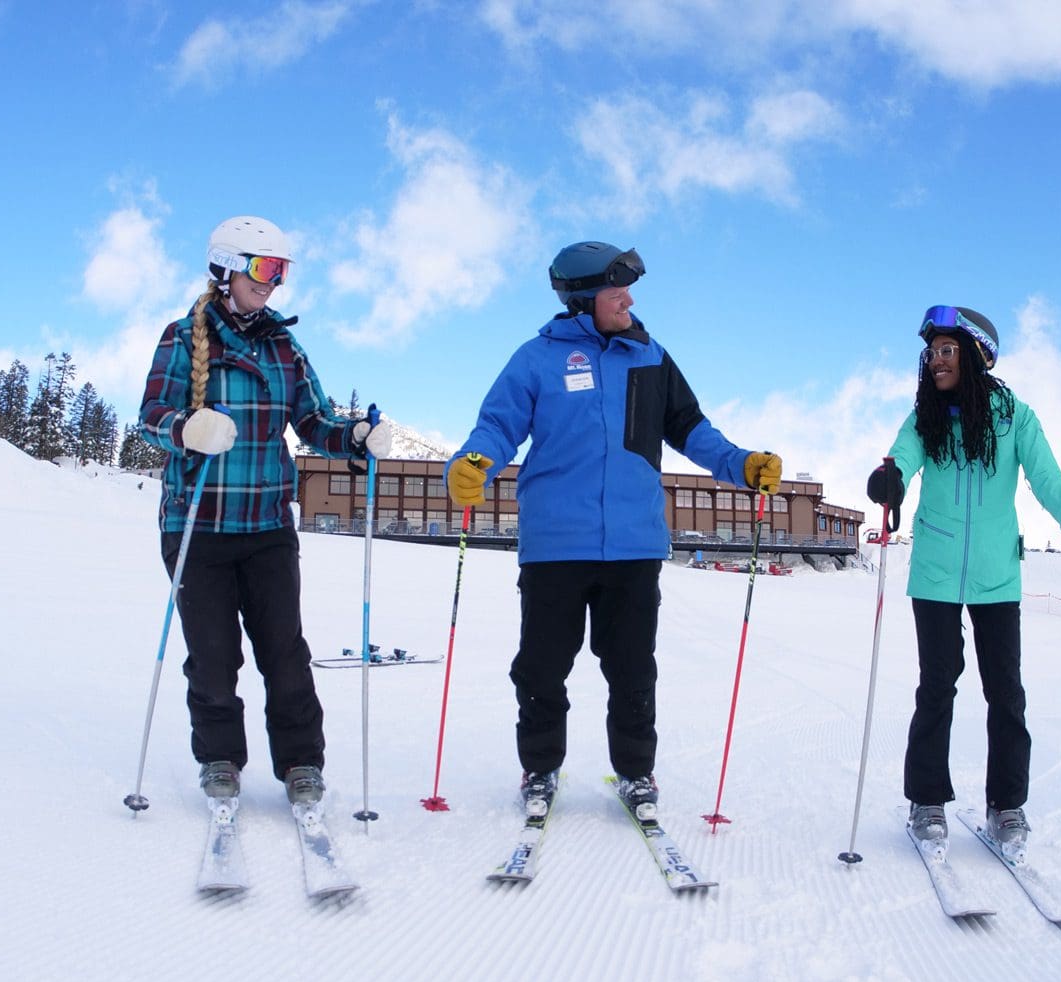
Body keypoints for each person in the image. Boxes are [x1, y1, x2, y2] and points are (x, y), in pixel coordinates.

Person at [446, 241, 781, 820]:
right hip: (555, 545)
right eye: (615, 290)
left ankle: (635, 773)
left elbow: (692, 429)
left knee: (631, 668)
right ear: (581, 300)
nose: (628, 299)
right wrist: (475, 461)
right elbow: (498, 426)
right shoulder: (536, 359)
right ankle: (541, 767)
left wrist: (740, 464)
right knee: (542, 668)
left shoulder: (649, 356)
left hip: (634, 545)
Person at [139, 215, 391, 806]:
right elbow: (150, 415)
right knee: (214, 655)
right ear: (225, 269)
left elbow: (313, 420)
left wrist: (353, 435)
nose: (273, 283)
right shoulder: (182, 336)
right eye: (263, 268)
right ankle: (220, 758)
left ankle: (301, 762)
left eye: (280, 271)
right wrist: (186, 427)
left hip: (268, 525)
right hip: (197, 524)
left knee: (284, 650)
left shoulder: (283, 344)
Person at [865, 305, 1061, 855]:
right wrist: (892, 477)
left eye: (947, 351)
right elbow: (904, 454)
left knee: (1006, 691)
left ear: (974, 355)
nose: (936, 362)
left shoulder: (1015, 417)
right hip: (935, 572)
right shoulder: (925, 417)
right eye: (931, 353)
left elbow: (1047, 480)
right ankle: (926, 800)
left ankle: (1008, 806)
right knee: (937, 685)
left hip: (997, 574)